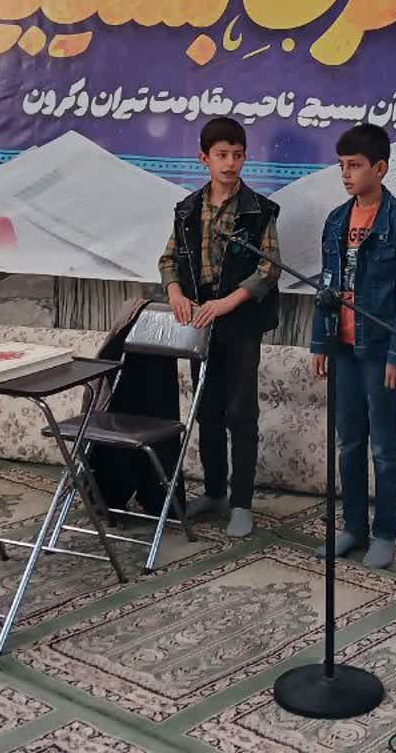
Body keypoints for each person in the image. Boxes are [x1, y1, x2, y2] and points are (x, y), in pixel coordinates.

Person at [157, 117, 280, 539]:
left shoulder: (259, 210)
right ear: (204, 158)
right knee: (206, 409)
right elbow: (169, 259)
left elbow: (268, 269)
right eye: (221, 155)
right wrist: (175, 291)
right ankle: (214, 492)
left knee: (241, 412)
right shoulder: (188, 209)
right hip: (200, 322)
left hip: (240, 321)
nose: (230, 164)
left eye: (237, 155)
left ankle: (241, 503)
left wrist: (228, 303)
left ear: (245, 158)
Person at [309, 124, 396, 571]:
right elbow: (326, 285)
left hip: (378, 350)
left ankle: (385, 532)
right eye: (342, 166)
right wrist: (320, 340)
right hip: (342, 348)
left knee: (384, 447)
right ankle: (352, 527)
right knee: (349, 442)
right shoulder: (337, 220)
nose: (346, 174)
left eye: (354, 166)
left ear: (380, 168)